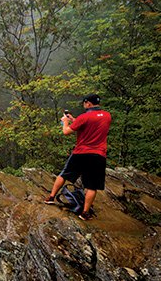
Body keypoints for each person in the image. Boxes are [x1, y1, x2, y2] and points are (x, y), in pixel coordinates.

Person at [44, 93, 112, 221]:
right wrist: (74, 120)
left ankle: (51, 197)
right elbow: (90, 125)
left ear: (88, 103)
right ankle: (85, 213)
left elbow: (66, 132)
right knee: (92, 186)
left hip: (81, 153)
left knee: (64, 174)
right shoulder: (107, 116)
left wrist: (65, 122)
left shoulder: (84, 117)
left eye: (84, 103)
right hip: (98, 155)